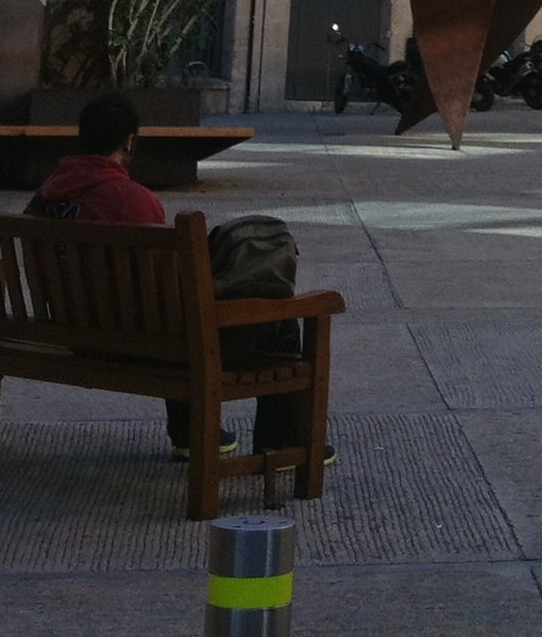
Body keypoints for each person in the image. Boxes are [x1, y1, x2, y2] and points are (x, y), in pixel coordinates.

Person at [27, 92, 328, 466]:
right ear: (129, 142)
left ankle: (192, 435)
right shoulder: (134, 201)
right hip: (139, 345)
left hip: (75, 333)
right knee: (278, 318)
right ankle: (281, 443)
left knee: (167, 314)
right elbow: (167, 290)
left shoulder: (45, 197)